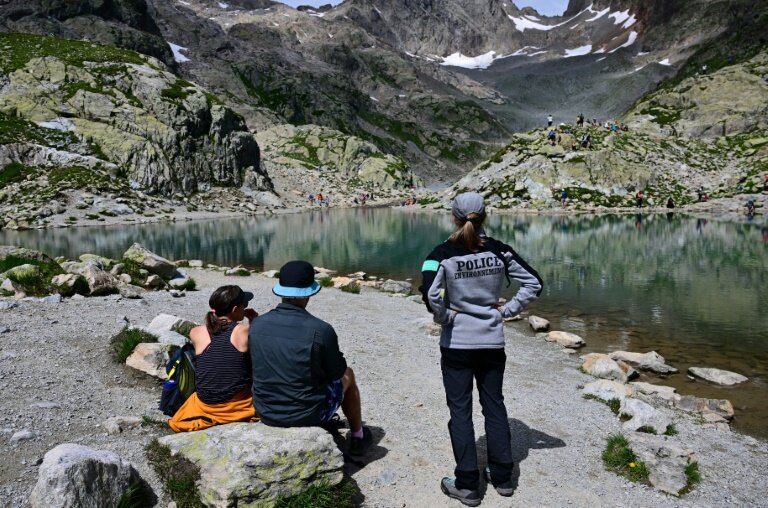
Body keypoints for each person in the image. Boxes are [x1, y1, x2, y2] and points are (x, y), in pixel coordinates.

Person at [419, 192, 543, 506]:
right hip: (491, 342)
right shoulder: (501, 251)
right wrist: (505, 311)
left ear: (453, 217)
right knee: (494, 406)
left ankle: (468, 485)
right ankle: (502, 477)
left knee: (460, 413)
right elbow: (534, 283)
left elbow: (429, 290)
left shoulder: (441, 253)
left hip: (457, 344)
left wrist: (445, 316)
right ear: (485, 216)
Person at [248, 260, 372, 456]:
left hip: (265, 411)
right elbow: (337, 372)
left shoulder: (256, 325)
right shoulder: (321, 330)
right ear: (309, 292)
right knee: (348, 374)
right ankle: (358, 436)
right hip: (307, 415)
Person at [169, 286, 259, 432]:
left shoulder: (196, 332)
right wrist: (255, 320)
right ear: (235, 309)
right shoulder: (244, 330)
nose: (245, 308)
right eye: (244, 305)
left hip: (205, 405)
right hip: (238, 405)